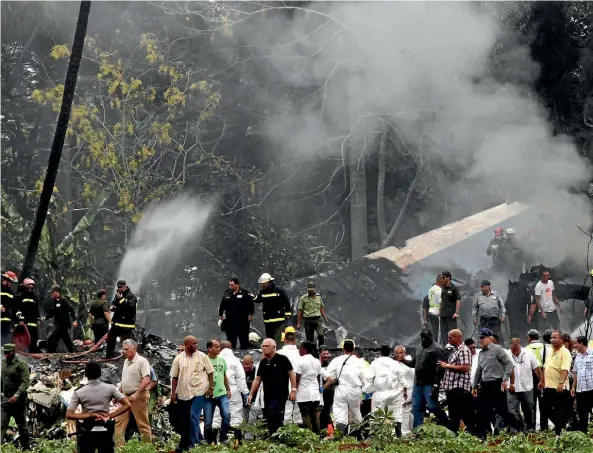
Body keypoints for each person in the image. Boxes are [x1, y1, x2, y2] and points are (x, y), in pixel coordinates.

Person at [66, 362, 131, 453]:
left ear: (86, 374)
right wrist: (110, 415)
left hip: (87, 428)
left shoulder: (79, 392)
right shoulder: (110, 388)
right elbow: (127, 405)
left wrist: (89, 415)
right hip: (105, 426)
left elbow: (69, 414)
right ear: (100, 374)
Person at [472, 328, 520, 439]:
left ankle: (517, 427)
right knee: (480, 410)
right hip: (485, 385)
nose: (481, 340)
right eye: (480, 338)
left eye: (483, 338)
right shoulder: (481, 353)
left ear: (489, 338)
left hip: (497, 384)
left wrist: (505, 380)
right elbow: (479, 370)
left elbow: (509, 364)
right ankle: (481, 435)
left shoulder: (497, 349)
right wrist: (475, 386)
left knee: (502, 411)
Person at [170, 336, 214, 450]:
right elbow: (174, 377)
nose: (196, 346)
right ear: (186, 345)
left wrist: (211, 388)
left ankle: (194, 443)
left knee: (194, 416)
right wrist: (173, 393)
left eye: (197, 343)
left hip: (199, 391)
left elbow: (210, 372)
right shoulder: (178, 359)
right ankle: (192, 440)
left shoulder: (202, 356)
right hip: (183, 393)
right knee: (185, 419)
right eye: (194, 343)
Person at [247, 338, 297, 436]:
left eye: (266, 346)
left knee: (275, 414)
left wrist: (293, 390)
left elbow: (291, 374)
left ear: (274, 347)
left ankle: (278, 437)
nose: (264, 348)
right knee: (268, 417)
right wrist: (251, 394)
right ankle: (272, 437)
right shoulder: (263, 362)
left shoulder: (283, 359)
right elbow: (257, 379)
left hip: (280, 394)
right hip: (267, 395)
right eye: (263, 346)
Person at [402, 330, 449, 429]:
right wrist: (402, 360)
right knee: (417, 408)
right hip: (418, 383)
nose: (423, 339)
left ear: (431, 337)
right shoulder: (419, 348)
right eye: (422, 337)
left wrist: (436, 385)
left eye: (426, 337)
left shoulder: (437, 349)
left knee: (433, 406)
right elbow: (414, 363)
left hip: (429, 383)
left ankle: (447, 423)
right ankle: (417, 431)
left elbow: (440, 368)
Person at [364, 344, 408, 437]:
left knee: (377, 415)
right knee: (396, 414)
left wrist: (368, 390)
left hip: (379, 394)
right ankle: (398, 435)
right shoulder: (395, 363)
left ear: (381, 352)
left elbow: (368, 378)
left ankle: (376, 436)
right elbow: (402, 379)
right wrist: (405, 391)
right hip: (394, 394)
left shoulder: (375, 363)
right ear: (390, 352)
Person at [323, 339, 365, 435]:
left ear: (343, 348)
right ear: (353, 349)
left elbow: (328, 375)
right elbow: (364, 379)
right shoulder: (359, 362)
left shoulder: (337, 360)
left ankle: (340, 436)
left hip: (341, 389)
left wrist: (334, 379)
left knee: (340, 413)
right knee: (355, 413)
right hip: (355, 390)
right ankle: (357, 436)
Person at [115, 339, 152, 445]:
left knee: (142, 423)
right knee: (119, 421)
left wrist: (137, 394)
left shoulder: (142, 361)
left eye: (127, 349)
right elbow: (125, 380)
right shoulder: (126, 361)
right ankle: (119, 448)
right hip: (126, 396)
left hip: (138, 396)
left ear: (134, 348)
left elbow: (147, 379)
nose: (124, 351)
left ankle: (147, 448)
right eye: (123, 349)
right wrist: (118, 394)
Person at [438, 329, 475, 434]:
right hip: (452, 387)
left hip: (459, 387)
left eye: (450, 337)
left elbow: (465, 367)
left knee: (464, 413)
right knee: (454, 414)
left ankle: (475, 433)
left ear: (457, 337)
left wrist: (447, 365)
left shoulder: (464, 350)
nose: (448, 339)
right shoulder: (455, 350)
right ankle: (454, 436)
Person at [507, 338, 543, 432]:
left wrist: (542, 381)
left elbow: (537, 368)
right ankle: (516, 430)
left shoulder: (529, 353)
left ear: (520, 346)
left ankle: (530, 430)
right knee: (512, 411)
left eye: (516, 350)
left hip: (527, 387)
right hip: (512, 389)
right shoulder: (507, 355)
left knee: (529, 409)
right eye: (512, 350)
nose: (515, 352)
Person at [0, 344, 30, 450]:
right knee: (2, 424)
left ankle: (26, 447)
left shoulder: (21, 365)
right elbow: (2, 379)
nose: (6, 355)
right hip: (5, 399)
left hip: (18, 400)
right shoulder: (3, 363)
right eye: (5, 353)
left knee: (21, 426)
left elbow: (26, 381)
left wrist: (17, 395)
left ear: (13, 352)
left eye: (8, 353)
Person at [542, 329, 572, 436]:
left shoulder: (565, 352)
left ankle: (560, 431)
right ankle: (562, 425)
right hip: (548, 386)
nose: (552, 340)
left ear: (561, 339)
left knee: (561, 410)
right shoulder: (550, 350)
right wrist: (542, 381)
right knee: (545, 409)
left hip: (559, 387)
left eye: (555, 338)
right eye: (551, 338)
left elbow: (565, 369)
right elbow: (546, 367)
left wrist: (560, 383)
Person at [203, 339, 231, 444]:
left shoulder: (222, 360)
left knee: (227, 415)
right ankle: (208, 441)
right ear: (209, 348)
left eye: (219, 346)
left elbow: (224, 376)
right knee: (207, 422)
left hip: (221, 393)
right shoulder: (204, 361)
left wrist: (228, 388)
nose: (219, 348)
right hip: (208, 397)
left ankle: (223, 437)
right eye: (216, 347)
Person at [254, 273, 292, 345]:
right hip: (268, 320)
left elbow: (286, 301)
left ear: (269, 282)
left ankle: (278, 351)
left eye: (264, 283)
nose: (262, 285)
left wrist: (288, 313)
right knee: (270, 339)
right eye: (261, 284)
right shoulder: (262, 292)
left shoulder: (278, 290)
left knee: (278, 338)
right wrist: (253, 297)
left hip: (279, 319)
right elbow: (259, 300)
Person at [219, 278, 255, 350]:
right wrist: (220, 314)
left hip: (242, 321)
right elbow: (222, 304)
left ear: (237, 284)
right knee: (231, 340)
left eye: (232, 285)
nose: (230, 287)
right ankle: (232, 353)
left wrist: (251, 314)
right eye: (229, 285)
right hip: (230, 321)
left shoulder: (245, 293)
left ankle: (245, 354)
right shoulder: (227, 292)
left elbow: (251, 305)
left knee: (244, 340)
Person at [295, 341, 323, 433]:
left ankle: (309, 437)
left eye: (300, 348)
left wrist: (294, 390)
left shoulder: (300, 361)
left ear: (304, 350)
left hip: (303, 394)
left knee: (305, 416)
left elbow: (297, 379)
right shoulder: (317, 361)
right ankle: (318, 437)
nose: (299, 350)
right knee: (315, 417)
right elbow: (318, 377)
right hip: (315, 394)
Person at [278, 327, 304, 425]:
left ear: (284, 340)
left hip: (283, 385)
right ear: (294, 340)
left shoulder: (279, 354)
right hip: (299, 384)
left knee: (286, 411)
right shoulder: (300, 354)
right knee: (298, 412)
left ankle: (286, 431)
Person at [106, 280, 137, 358]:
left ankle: (129, 357)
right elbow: (114, 302)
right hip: (116, 323)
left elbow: (129, 306)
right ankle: (109, 355)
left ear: (125, 286)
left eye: (121, 287)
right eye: (118, 287)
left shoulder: (131, 296)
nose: (119, 288)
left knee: (126, 342)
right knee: (110, 338)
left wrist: (121, 299)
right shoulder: (118, 295)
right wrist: (112, 306)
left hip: (126, 325)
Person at [525, 329, 549, 430]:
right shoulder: (546, 347)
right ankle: (544, 427)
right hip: (544, 376)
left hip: (531, 377)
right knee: (544, 404)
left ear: (529, 338)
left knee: (532, 403)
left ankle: (532, 428)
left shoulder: (526, 348)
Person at [43, 285, 78, 353]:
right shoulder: (55, 302)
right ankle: (74, 353)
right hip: (59, 325)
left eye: (52, 292)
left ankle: (49, 354)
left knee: (51, 340)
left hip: (62, 325)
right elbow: (52, 312)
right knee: (66, 340)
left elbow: (72, 310)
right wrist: (45, 317)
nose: (51, 293)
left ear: (57, 292)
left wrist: (74, 320)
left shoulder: (63, 300)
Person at [472, 280, 506, 347]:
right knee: (484, 336)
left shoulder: (496, 294)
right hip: (484, 320)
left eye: (483, 286)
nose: (482, 288)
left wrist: (503, 316)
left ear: (489, 286)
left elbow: (502, 306)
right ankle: (484, 349)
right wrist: (474, 318)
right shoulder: (478, 296)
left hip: (494, 319)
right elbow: (475, 308)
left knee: (497, 335)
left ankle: (502, 349)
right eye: (481, 286)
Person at [571, 335, 593, 433]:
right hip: (580, 390)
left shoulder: (592, 354)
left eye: (576, 343)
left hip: (592, 389)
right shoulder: (577, 357)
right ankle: (583, 435)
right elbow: (575, 373)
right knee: (582, 414)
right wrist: (573, 387)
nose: (574, 345)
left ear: (582, 343)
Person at [296, 282, 328, 347]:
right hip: (308, 320)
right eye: (309, 290)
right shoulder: (303, 298)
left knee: (321, 335)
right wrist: (299, 323)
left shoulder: (318, 297)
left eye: (312, 290)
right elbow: (299, 311)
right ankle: (311, 352)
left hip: (317, 319)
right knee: (310, 340)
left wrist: (325, 318)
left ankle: (321, 349)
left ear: (314, 289)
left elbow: (321, 308)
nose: (310, 291)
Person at [15, 278, 40, 352]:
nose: (30, 289)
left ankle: (33, 351)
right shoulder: (20, 296)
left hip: (33, 321)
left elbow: (36, 308)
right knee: (24, 338)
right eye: (29, 287)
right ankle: (22, 351)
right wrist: (19, 320)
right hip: (24, 322)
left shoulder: (34, 297)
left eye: (32, 288)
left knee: (34, 337)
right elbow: (17, 309)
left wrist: (38, 318)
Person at [394, 345, 414, 435]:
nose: (399, 355)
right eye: (397, 353)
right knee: (399, 411)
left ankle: (405, 431)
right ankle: (406, 429)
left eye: (401, 353)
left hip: (409, 389)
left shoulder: (410, 362)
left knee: (406, 410)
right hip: (398, 391)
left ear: (405, 353)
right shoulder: (394, 363)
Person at [439, 271, 461, 346]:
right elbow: (442, 299)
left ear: (448, 278)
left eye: (443, 277)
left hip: (451, 315)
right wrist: (439, 310)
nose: (442, 279)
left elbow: (458, 300)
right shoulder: (442, 287)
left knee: (453, 333)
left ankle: (454, 347)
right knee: (443, 333)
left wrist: (456, 313)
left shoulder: (454, 288)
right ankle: (444, 348)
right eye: (441, 278)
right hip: (443, 314)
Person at [319, 346, 335, 433]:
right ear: (319, 353)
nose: (326, 355)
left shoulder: (330, 365)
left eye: (327, 353)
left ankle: (330, 431)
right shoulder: (316, 364)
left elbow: (333, 379)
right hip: (318, 394)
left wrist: (323, 388)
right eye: (323, 353)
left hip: (328, 393)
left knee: (326, 412)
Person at [422, 275, 443, 342]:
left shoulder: (427, 296)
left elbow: (425, 309)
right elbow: (425, 309)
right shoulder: (427, 297)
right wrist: (425, 320)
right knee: (435, 333)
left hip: (431, 317)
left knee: (434, 333)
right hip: (433, 317)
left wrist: (425, 320)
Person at [1, 272, 18, 346]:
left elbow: (15, 306)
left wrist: (17, 319)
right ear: (6, 280)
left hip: (6, 321)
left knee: (5, 339)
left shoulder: (11, 293)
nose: (11, 284)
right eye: (10, 282)